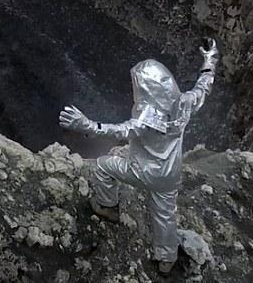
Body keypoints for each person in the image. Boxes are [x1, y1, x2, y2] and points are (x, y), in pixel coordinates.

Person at [58, 38, 220, 274]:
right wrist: (210, 58)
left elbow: (121, 131)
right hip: (170, 176)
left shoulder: (147, 117)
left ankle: (107, 206)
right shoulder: (184, 103)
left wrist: (87, 125)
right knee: (164, 214)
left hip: (143, 171)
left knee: (103, 166)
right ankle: (166, 261)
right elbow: (203, 86)